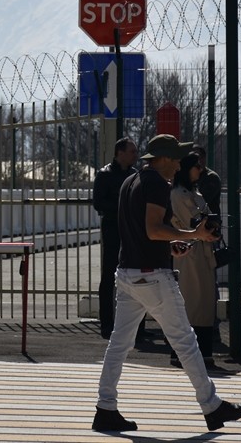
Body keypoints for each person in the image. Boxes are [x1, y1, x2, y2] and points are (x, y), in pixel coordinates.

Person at [93, 134, 241, 434]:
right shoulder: (156, 183)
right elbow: (154, 230)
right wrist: (195, 235)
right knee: (185, 341)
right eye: (176, 159)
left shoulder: (131, 181)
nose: (179, 164)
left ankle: (105, 408)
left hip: (128, 273)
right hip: (153, 276)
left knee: (119, 343)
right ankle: (212, 406)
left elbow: (140, 233)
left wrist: (170, 245)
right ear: (164, 158)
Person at [168, 152, 219, 369]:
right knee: (189, 303)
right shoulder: (178, 194)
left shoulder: (194, 193)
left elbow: (207, 220)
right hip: (188, 253)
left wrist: (212, 228)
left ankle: (203, 352)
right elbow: (194, 222)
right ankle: (183, 354)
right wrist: (207, 227)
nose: (200, 169)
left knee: (204, 303)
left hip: (202, 252)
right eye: (196, 166)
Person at [92, 138, 137, 338]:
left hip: (131, 229)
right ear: (120, 153)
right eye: (131, 151)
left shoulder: (134, 174)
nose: (135, 155)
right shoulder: (105, 175)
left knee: (135, 274)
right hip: (112, 228)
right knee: (109, 275)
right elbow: (98, 203)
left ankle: (136, 326)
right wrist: (122, 207)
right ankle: (107, 323)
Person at [191, 144, 221, 217]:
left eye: (198, 157)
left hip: (209, 220)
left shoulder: (212, 177)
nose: (196, 161)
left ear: (204, 158)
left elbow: (201, 201)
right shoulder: (189, 175)